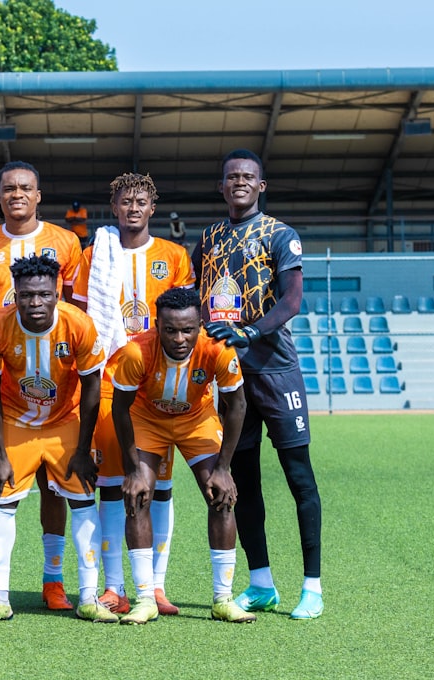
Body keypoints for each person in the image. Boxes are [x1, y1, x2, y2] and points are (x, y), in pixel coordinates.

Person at [194, 148, 324, 620]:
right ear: (222, 186)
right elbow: (197, 298)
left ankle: (312, 587)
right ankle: (261, 582)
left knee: (298, 477)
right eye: (232, 177)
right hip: (231, 377)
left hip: (275, 371)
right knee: (242, 480)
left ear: (261, 186)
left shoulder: (280, 235)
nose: (240, 182)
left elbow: (292, 302)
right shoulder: (208, 238)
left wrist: (250, 332)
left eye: (248, 176)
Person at [71, 172, 194, 616]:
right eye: (126, 201)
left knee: (158, 487)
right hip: (108, 381)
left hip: (157, 387)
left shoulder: (173, 256)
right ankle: (114, 586)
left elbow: (186, 319)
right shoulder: (94, 254)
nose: (133, 208)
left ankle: (155, 585)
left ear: (152, 207)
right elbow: (83, 317)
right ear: (114, 207)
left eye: (141, 201)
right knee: (110, 484)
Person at [0, 160, 83, 612]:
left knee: (55, 486)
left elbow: (75, 305)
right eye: (9, 188)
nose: (17, 194)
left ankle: (54, 581)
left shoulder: (66, 241)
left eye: (25, 188)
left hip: (55, 380)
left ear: (38, 195)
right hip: (0, 383)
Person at [0, 254, 115, 623]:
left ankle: (84, 595)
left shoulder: (78, 324)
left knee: (82, 498)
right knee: (1, 499)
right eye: (26, 295)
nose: (35, 303)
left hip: (63, 420)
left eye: (44, 295)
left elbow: (92, 387)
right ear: (15, 294)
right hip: (15, 420)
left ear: (57, 293)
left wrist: (83, 449)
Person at [111, 287, 253, 624]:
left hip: (196, 420)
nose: (179, 339)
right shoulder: (135, 352)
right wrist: (132, 469)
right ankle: (146, 599)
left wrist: (223, 468)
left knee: (221, 496)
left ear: (199, 325)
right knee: (139, 495)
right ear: (157, 325)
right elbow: (120, 410)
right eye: (170, 330)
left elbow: (237, 406)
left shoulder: (219, 349)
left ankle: (223, 599)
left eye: (188, 330)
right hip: (148, 420)